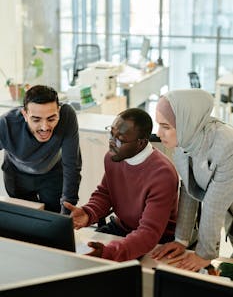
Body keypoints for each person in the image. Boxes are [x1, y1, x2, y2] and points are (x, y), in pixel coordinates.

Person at [64, 108, 179, 262]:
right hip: (122, 228)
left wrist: (110, 253)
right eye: (111, 133)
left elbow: (148, 233)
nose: (111, 141)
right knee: (76, 256)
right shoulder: (113, 157)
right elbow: (106, 193)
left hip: (158, 239)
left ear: (141, 143)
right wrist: (88, 212)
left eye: (120, 139)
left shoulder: (162, 174)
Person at [152, 88, 233, 272]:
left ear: (185, 122)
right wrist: (181, 239)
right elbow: (189, 190)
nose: (158, 133)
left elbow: (214, 205)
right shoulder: (185, 141)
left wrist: (204, 254)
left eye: (166, 127)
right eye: (159, 125)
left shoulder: (227, 145)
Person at [0, 85, 82, 214]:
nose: (44, 127)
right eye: (36, 120)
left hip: (52, 174)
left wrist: (66, 213)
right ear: (25, 114)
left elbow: (72, 165)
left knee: (54, 220)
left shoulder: (67, 115)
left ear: (59, 111)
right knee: (25, 221)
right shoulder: (6, 123)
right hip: (17, 176)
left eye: (51, 119)